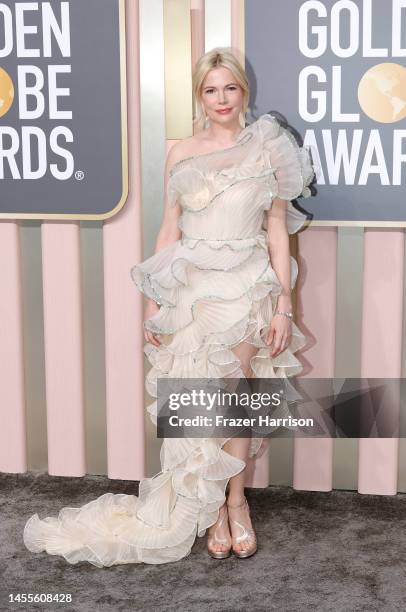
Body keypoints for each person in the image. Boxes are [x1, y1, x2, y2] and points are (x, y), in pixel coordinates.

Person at [23, 47, 315, 566]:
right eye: (210, 89)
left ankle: (235, 501)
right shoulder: (180, 151)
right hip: (189, 289)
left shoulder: (269, 147)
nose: (221, 99)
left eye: (230, 88)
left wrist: (283, 306)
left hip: (247, 285)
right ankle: (213, 509)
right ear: (198, 96)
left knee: (237, 396)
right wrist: (155, 301)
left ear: (243, 91)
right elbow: (168, 227)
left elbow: (276, 228)